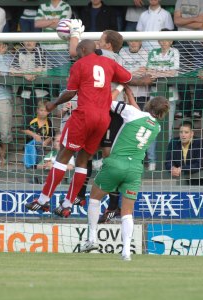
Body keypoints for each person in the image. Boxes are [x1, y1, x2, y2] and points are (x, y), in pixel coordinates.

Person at [24, 39, 134, 217]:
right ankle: (67, 204)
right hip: (103, 118)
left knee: (63, 157)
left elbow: (70, 92)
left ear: (83, 49)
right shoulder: (109, 63)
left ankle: (43, 201)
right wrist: (126, 84)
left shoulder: (80, 64)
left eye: (77, 50)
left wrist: (54, 103)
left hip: (84, 116)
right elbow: (128, 77)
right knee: (83, 160)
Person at [79, 97, 169, 260]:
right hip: (135, 169)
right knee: (127, 213)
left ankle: (92, 238)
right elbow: (142, 117)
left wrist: (119, 89)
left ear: (149, 105)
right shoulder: (157, 127)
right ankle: (126, 252)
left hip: (116, 162)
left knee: (94, 198)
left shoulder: (133, 113)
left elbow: (106, 102)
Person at [146, 28, 180, 159]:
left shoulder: (174, 52)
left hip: (170, 97)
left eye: (167, 39)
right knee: (151, 128)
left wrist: (157, 73)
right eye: (162, 39)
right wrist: (163, 73)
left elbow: (173, 73)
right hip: (154, 97)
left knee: (168, 130)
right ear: (159, 40)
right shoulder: (153, 52)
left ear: (171, 41)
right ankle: (153, 159)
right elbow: (149, 72)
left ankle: (166, 160)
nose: (164, 42)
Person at [10, 41, 48, 126]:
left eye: (31, 40)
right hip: (25, 92)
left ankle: (42, 138)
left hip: (41, 91)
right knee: (27, 119)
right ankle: (28, 138)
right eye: (26, 40)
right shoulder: (19, 52)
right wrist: (24, 74)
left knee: (42, 119)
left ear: (36, 41)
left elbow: (40, 69)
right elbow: (12, 70)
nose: (28, 42)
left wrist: (30, 74)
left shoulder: (40, 51)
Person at [165, 121, 203, 185]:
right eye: (181, 132)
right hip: (180, 179)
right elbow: (168, 161)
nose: (183, 135)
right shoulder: (173, 142)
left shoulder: (200, 143)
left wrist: (182, 168)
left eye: (186, 132)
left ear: (192, 133)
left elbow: (199, 164)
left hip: (199, 181)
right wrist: (172, 168)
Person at [34, 0, 72, 69]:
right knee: (46, 78)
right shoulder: (43, 6)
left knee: (61, 77)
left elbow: (62, 26)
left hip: (61, 48)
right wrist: (53, 21)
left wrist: (46, 21)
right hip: (44, 48)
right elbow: (37, 23)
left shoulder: (66, 6)